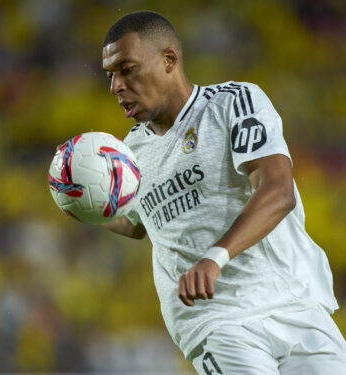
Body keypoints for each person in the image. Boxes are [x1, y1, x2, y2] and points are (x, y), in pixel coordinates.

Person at [101, 10, 346, 374]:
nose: (115, 86)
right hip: (218, 323)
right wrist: (91, 205)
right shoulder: (128, 155)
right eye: (110, 75)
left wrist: (215, 257)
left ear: (169, 60)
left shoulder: (234, 103)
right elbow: (135, 223)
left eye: (127, 69)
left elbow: (278, 190)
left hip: (295, 305)